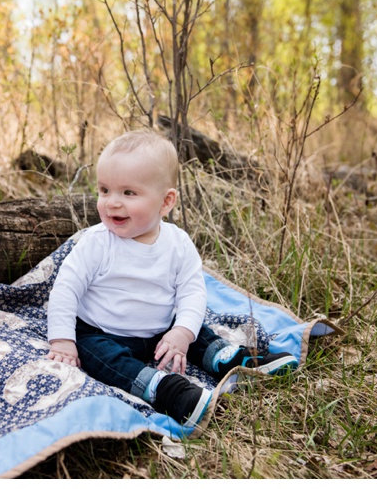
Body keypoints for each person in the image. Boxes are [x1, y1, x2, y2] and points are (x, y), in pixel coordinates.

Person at [46, 130, 297, 429]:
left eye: (128, 193)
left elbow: (192, 293)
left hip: (159, 328)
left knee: (193, 329)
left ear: (166, 202)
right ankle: (162, 388)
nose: (112, 203)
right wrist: (62, 340)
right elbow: (65, 289)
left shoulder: (178, 244)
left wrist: (181, 333)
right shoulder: (96, 243)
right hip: (102, 329)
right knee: (97, 356)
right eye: (104, 190)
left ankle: (231, 359)